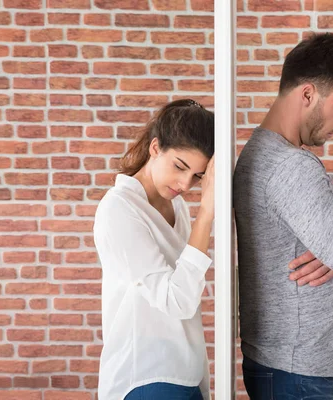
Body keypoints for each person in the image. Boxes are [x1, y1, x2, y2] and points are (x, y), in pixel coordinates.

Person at [233, 32, 333, 399]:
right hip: (298, 371)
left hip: (295, 365)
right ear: (307, 94)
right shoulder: (291, 167)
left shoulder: (267, 154)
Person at [94, 99, 215, 400]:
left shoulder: (177, 206)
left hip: (186, 374)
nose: (186, 184)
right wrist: (207, 214)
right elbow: (177, 301)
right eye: (180, 167)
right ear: (155, 147)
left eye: (198, 176)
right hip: (147, 375)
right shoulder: (119, 208)